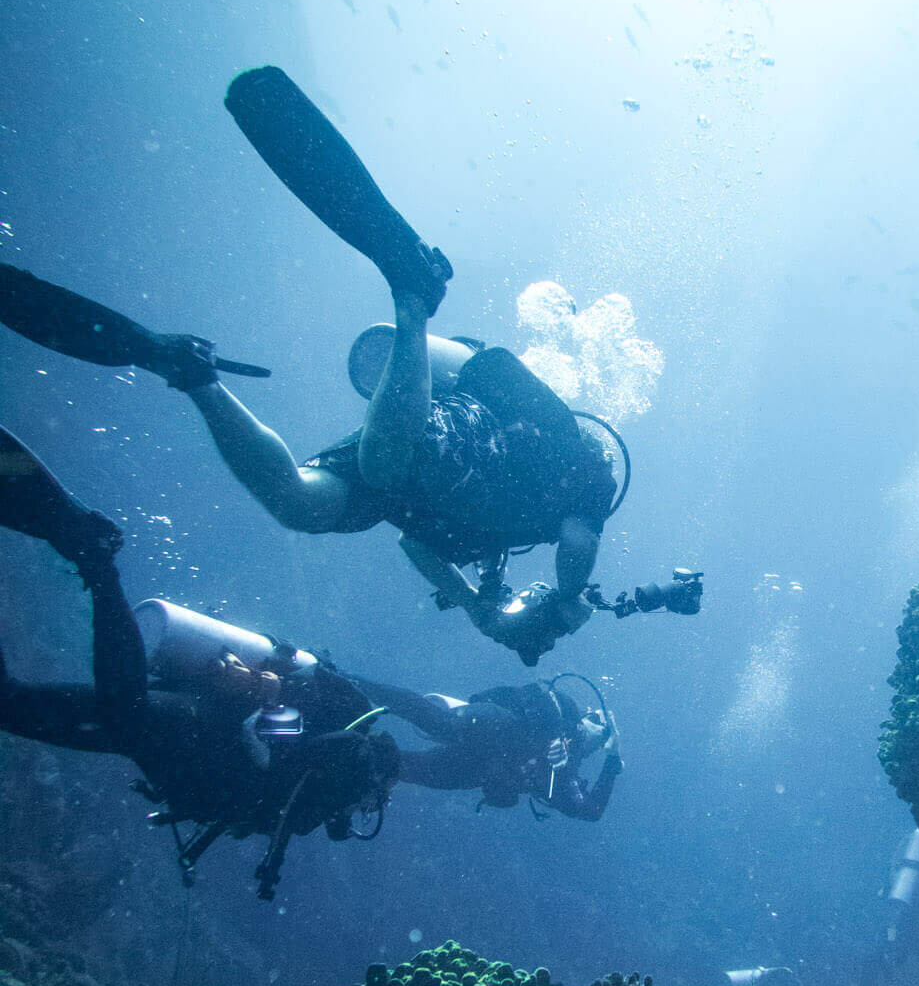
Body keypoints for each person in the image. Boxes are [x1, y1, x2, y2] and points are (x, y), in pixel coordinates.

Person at [0, 68, 622, 665]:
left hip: (415, 471)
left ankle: (193, 375)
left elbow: (416, 543)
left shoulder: (496, 542)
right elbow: (578, 546)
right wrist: (566, 601)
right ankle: (412, 298)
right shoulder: (588, 476)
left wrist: (474, 608)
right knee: (383, 460)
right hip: (452, 439)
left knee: (298, 503)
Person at [0, 428, 400, 897]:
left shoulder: (327, 780)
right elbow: (289, 733)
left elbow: (285, 750)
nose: (361, 812)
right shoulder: (349, 763)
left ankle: (91, 553)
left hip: (181, 749)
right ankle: (97, 559)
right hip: (194, 732)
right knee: (120, 711)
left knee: (14, 706)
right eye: (373, 803)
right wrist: (262, 693)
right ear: (376, 785)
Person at [359, 673, 624, 821]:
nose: (599, 734)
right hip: (496, 727)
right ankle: (349, 680)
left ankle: (349, 754)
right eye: (599, 724)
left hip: (480, 768)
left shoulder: (565, 776)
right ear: (589, 717)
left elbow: (591, 811)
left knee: (403, 767)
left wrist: (612, 760)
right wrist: (554, 737)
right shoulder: (566, 712)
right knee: (440, 723)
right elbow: (539, 694)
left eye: (604, 738)